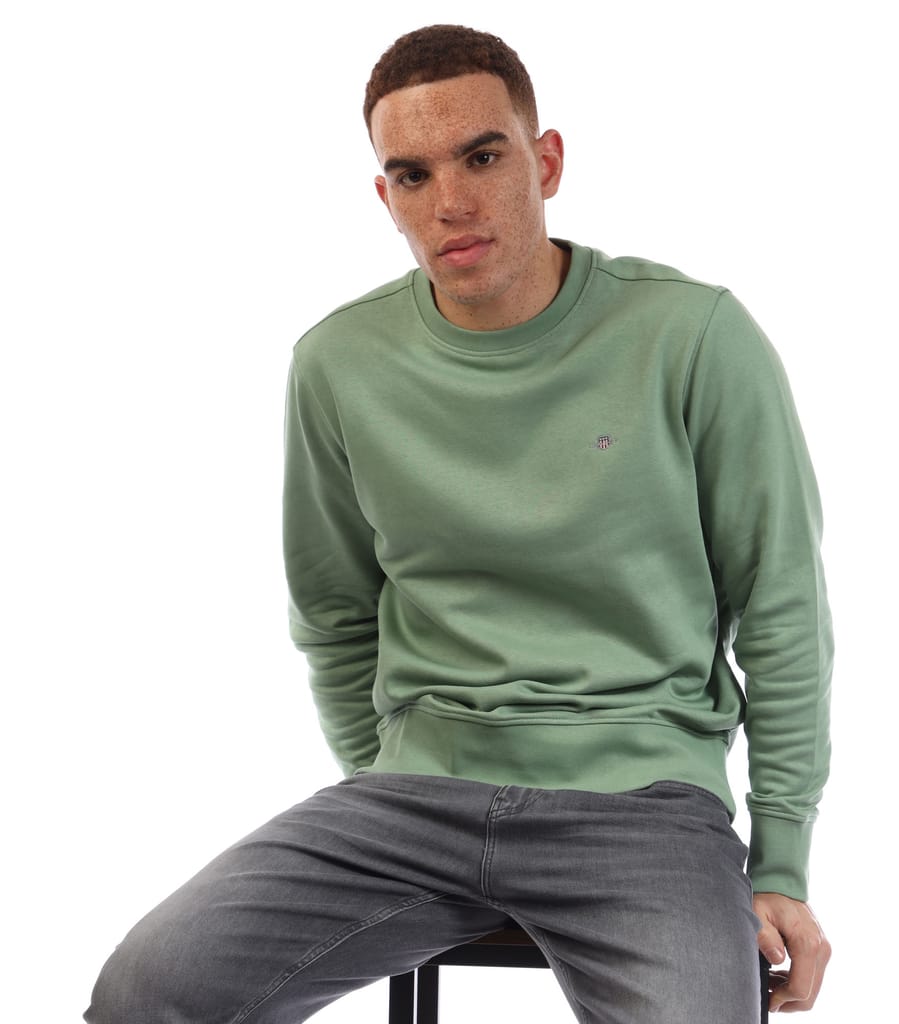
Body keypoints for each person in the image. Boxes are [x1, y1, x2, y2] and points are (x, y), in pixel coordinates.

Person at [85, 24, 832, 1023]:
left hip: (641, 809)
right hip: (413, 804)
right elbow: (335, 611)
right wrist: (386, 775)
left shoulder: (692, 336)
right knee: (144, 991)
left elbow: (781, 606)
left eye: (482, 157)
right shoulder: (338, 364)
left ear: (546, 161)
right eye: (412, 174)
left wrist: (781, 863)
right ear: (384, 196)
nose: (450, 201)